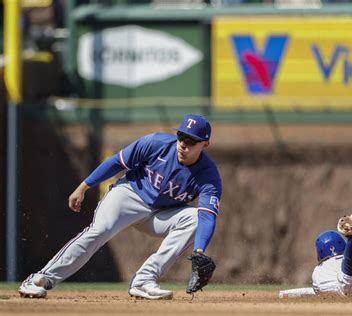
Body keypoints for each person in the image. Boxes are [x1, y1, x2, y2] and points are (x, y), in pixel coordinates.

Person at [19, 114, 222, 300]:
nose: (183, 144)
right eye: (180, 136)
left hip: (160, 214)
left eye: (191, 141)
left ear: (205, 144)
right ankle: (40, 279)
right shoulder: (156, 143)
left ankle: (144, 280)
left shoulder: (209, 176)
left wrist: (199, 251)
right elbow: (117, 162)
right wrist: (84, 186)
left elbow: (206, 216)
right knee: (99, 231)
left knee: (194, 218)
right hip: (128, 195)